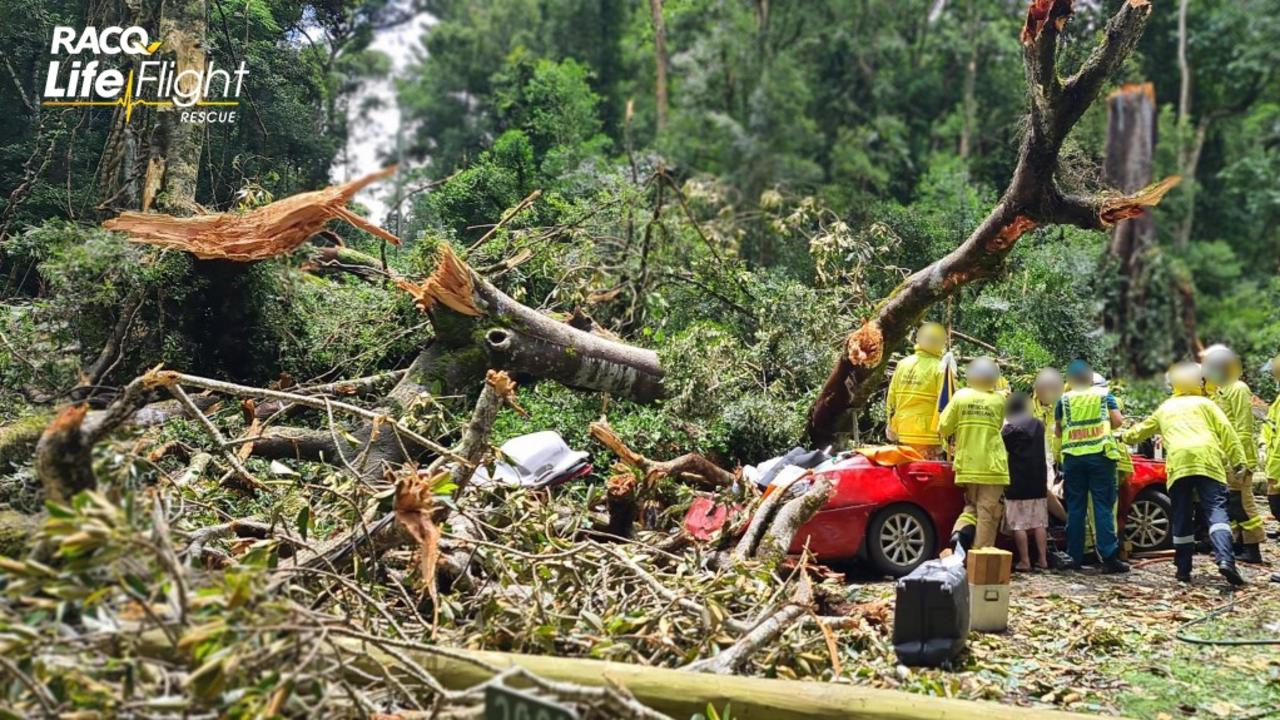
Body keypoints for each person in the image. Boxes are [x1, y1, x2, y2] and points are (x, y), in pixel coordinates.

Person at [1122, 362, 1247, 586]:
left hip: (1179, 465)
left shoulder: (1165, 408)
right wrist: (1240, 461)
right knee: (1216, 512)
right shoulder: (1206, 404)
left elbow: (1138, 433)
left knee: (1181, 515)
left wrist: (1121, 436)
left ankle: (1183, 570)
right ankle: (1226, 560)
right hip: (1208, 461)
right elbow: (1227, 432)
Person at [1054, 359, 1129, 573]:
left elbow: (1058, 431)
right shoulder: (1104, 396)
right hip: (1100, 456)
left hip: (1073, 458)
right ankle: (1109, 557)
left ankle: (1074, 556)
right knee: (1103, 507)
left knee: (1076, 508)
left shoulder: (1063, 399)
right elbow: (1117, 421)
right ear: (1089, 377)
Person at [1201, 344, 1266, 564]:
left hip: (1237, 459)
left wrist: (1242, 460)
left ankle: (1252, 548)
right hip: (1225, 458)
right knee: (1230, 503)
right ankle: (1238, 545)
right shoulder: (1219, 391)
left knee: (1242, 502)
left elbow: (1243, 427)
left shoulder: (1237, 388)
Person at [938, 357, 1008, 551]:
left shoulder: (960, 396)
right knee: (989, 512)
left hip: (967, 464)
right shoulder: (999, 399)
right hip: (992, 467)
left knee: (971, 506)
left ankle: (959, 533)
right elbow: (1001, 425)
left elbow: (943, 426)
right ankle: (981, 555)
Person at [1002, 392, 1049, 571]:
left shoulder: (1008, 430)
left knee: (1018, 523)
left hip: (1017, 480)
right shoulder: (1039, 425)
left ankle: (1025, 561)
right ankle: (1043, 560)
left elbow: (1003, 449)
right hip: (1038, 479)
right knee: (1039, 522)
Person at [886, 322, 947, 457]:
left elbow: (891, 398)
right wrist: (947, 435)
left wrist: (891, 426)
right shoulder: (941, 368)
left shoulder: (902, 364)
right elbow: (946, 404)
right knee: (926, 474)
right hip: (929, 435)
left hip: (903, 430)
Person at [1032, 368, 1068, 524]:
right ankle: (1065, 522)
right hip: (1036, 461)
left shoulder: (1061, 407)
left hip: (1058, 460)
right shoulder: (1028, 406)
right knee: (1044, 494)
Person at [1262, 355, 1280, 535]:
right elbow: (1270, 424)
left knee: (1275, 499)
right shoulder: (1278, 400)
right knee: (1274, 498)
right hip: (1275, 457)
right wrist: (1263, 441)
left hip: (1277, 458)